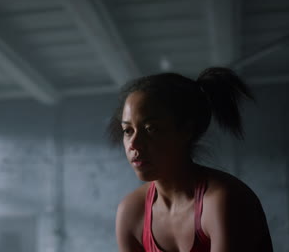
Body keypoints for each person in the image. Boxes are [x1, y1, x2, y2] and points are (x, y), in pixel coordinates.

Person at [108, 68, 273, 252]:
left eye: (150, 129)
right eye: (128, 130)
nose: (134, 144)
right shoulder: (132, 211)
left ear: (187, 130)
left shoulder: (224, 201)